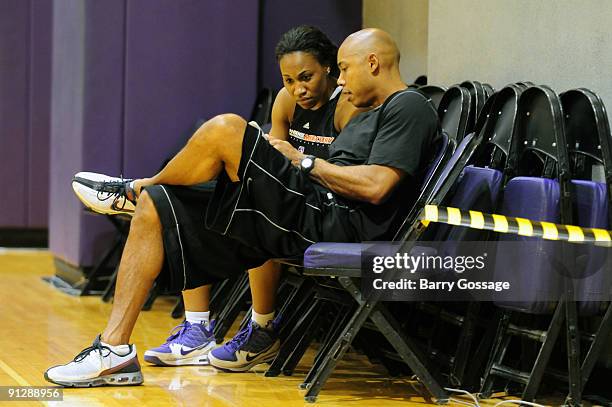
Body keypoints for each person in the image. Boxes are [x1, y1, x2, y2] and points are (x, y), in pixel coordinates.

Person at [45, 28, 439, 387]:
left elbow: (376, 186)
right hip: (314, 209)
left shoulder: (408, 107)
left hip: (336, 222)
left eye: (344, 69)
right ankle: (114, 350)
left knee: (227, 129)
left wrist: (300, 162)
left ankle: (134, 188)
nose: (340, 80)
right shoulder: (369, 113)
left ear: (373, 63)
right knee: (157, 205)